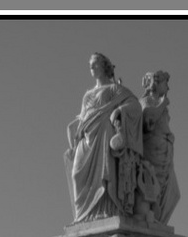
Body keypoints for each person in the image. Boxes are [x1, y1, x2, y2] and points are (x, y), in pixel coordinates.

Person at [65, 53, 144, 223]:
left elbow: (135, 105)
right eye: (90, 65)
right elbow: (83, 116)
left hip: (104, 133)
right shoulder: (87, 95)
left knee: (105, 172)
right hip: (87, 136)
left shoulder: (115, 89)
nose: (91, 68)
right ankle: (84, 215)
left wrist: (119, 111)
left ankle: (106, 210)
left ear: (104, 66)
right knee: (76, 174)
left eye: (95, 64)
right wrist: (74, 129)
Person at [136, 70, 180, 224]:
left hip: (165, 151)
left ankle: (158, 221)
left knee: (173, 194)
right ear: (156, 83)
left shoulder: (161, 105)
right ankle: (153, 219)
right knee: (154, 188)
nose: (168, 88)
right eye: (165, 83)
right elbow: (148, 120)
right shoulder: (146, 101)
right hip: (153, 150)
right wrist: (163, 103)